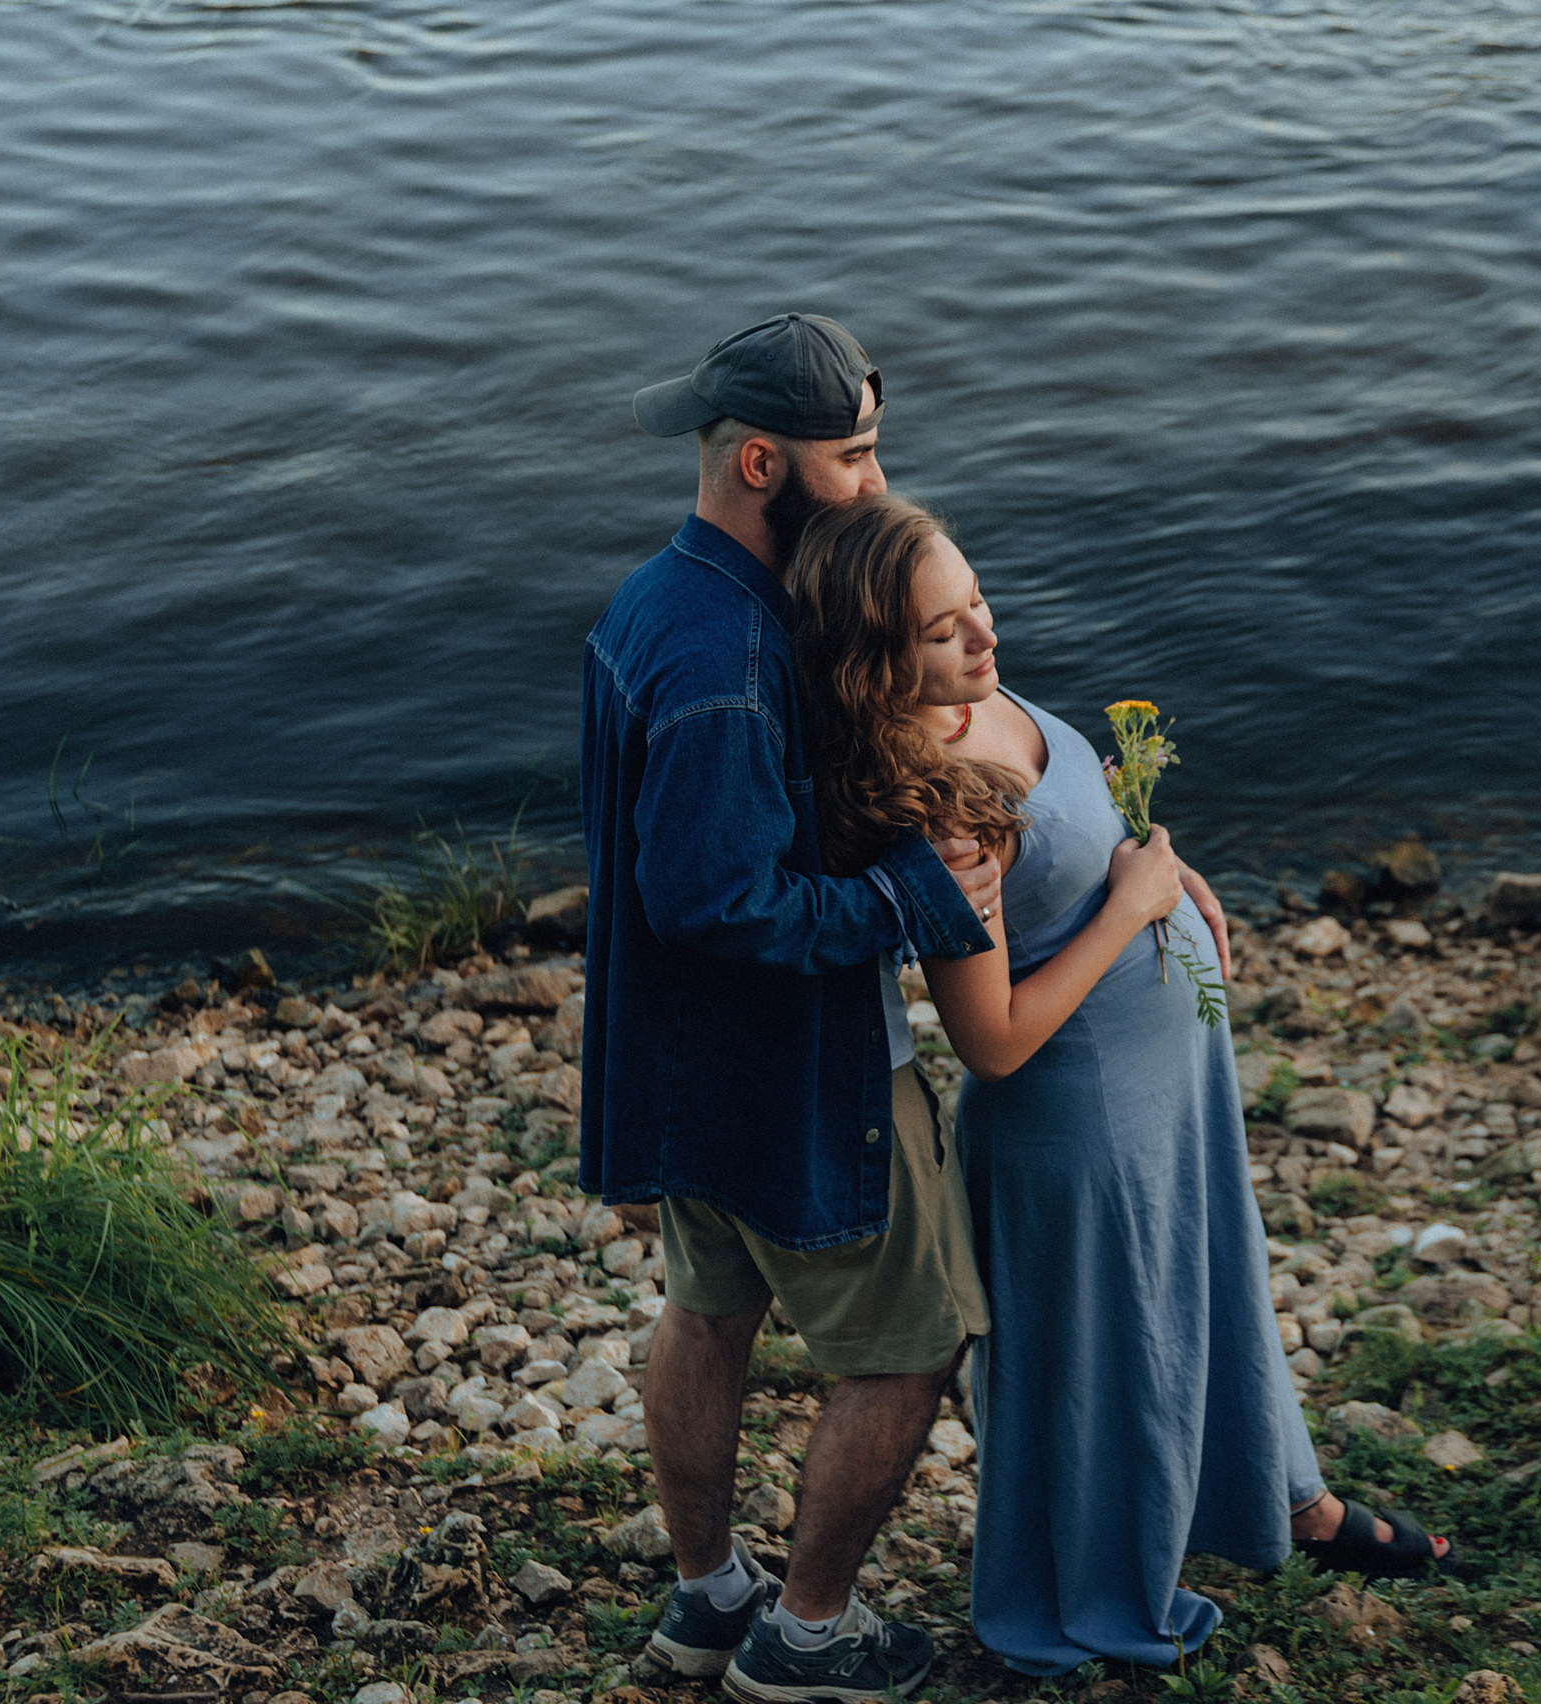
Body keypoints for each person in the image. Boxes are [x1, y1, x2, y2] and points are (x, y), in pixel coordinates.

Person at [786, 494, 1454, 1681]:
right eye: (943, 633)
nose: (983, 637)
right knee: (1117, 1361)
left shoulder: (984, 704)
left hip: (1167, 1083)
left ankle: (1284, 1501)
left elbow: (1084, 830)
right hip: (1077, 1125)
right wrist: (1134, 908)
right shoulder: (937, 810)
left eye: (974, 600)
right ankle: (1096, 1585)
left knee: (1213, 1288)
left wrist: (1163, 865)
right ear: (878, 659)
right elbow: (989, 1040)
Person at [580, 314, 1002, 1704]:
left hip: (688, 1065)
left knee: (707, 1312)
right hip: (796, 1071)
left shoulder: (656, 603)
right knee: (911, 1347)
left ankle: (708, 1600)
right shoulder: (731, 665)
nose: (879, 483)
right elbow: (718, 902)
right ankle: (807, 1639)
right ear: (762, 461)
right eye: (857, 455)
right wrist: (907, 896)